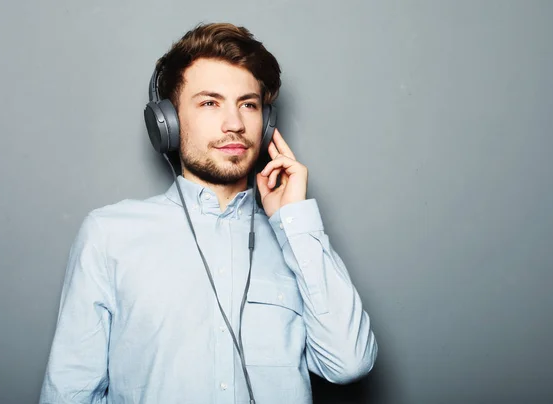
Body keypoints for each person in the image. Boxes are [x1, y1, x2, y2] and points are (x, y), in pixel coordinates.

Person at [39, 22, 378, 404]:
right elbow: (69, 393)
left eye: (248, 104)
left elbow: (349, 363)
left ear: (266, 124)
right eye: (210, 103)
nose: (234, 124)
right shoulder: (109, 235)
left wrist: (295, 221)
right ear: (166, 122)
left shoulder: (296, 241)